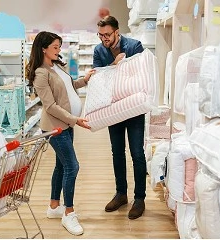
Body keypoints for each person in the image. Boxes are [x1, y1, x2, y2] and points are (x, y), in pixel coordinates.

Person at [26, 31, 95, 236]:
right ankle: (69, 213)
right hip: (56, 127)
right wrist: (74, 119)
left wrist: (85, 79)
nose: (59, 50)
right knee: (72, 167)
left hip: (66, 125)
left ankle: (54, 206)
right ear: (43, 48)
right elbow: (50, 106)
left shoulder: (56, 66)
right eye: (55, 47)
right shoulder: (40, 73)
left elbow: (69, 87)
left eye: (59, 46)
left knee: (61, 165)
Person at [92, 16, 146, 220]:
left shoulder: (134, 46)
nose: (104, 39)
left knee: (137, 153)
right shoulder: (99, 50)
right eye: (101, 35)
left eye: (107, 34)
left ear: (117, 32)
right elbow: (97, 77)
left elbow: (141, 74)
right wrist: (115, 65)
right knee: (117, 152)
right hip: (112, 108)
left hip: (133, 108)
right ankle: (121, 193)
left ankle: (139, 198)